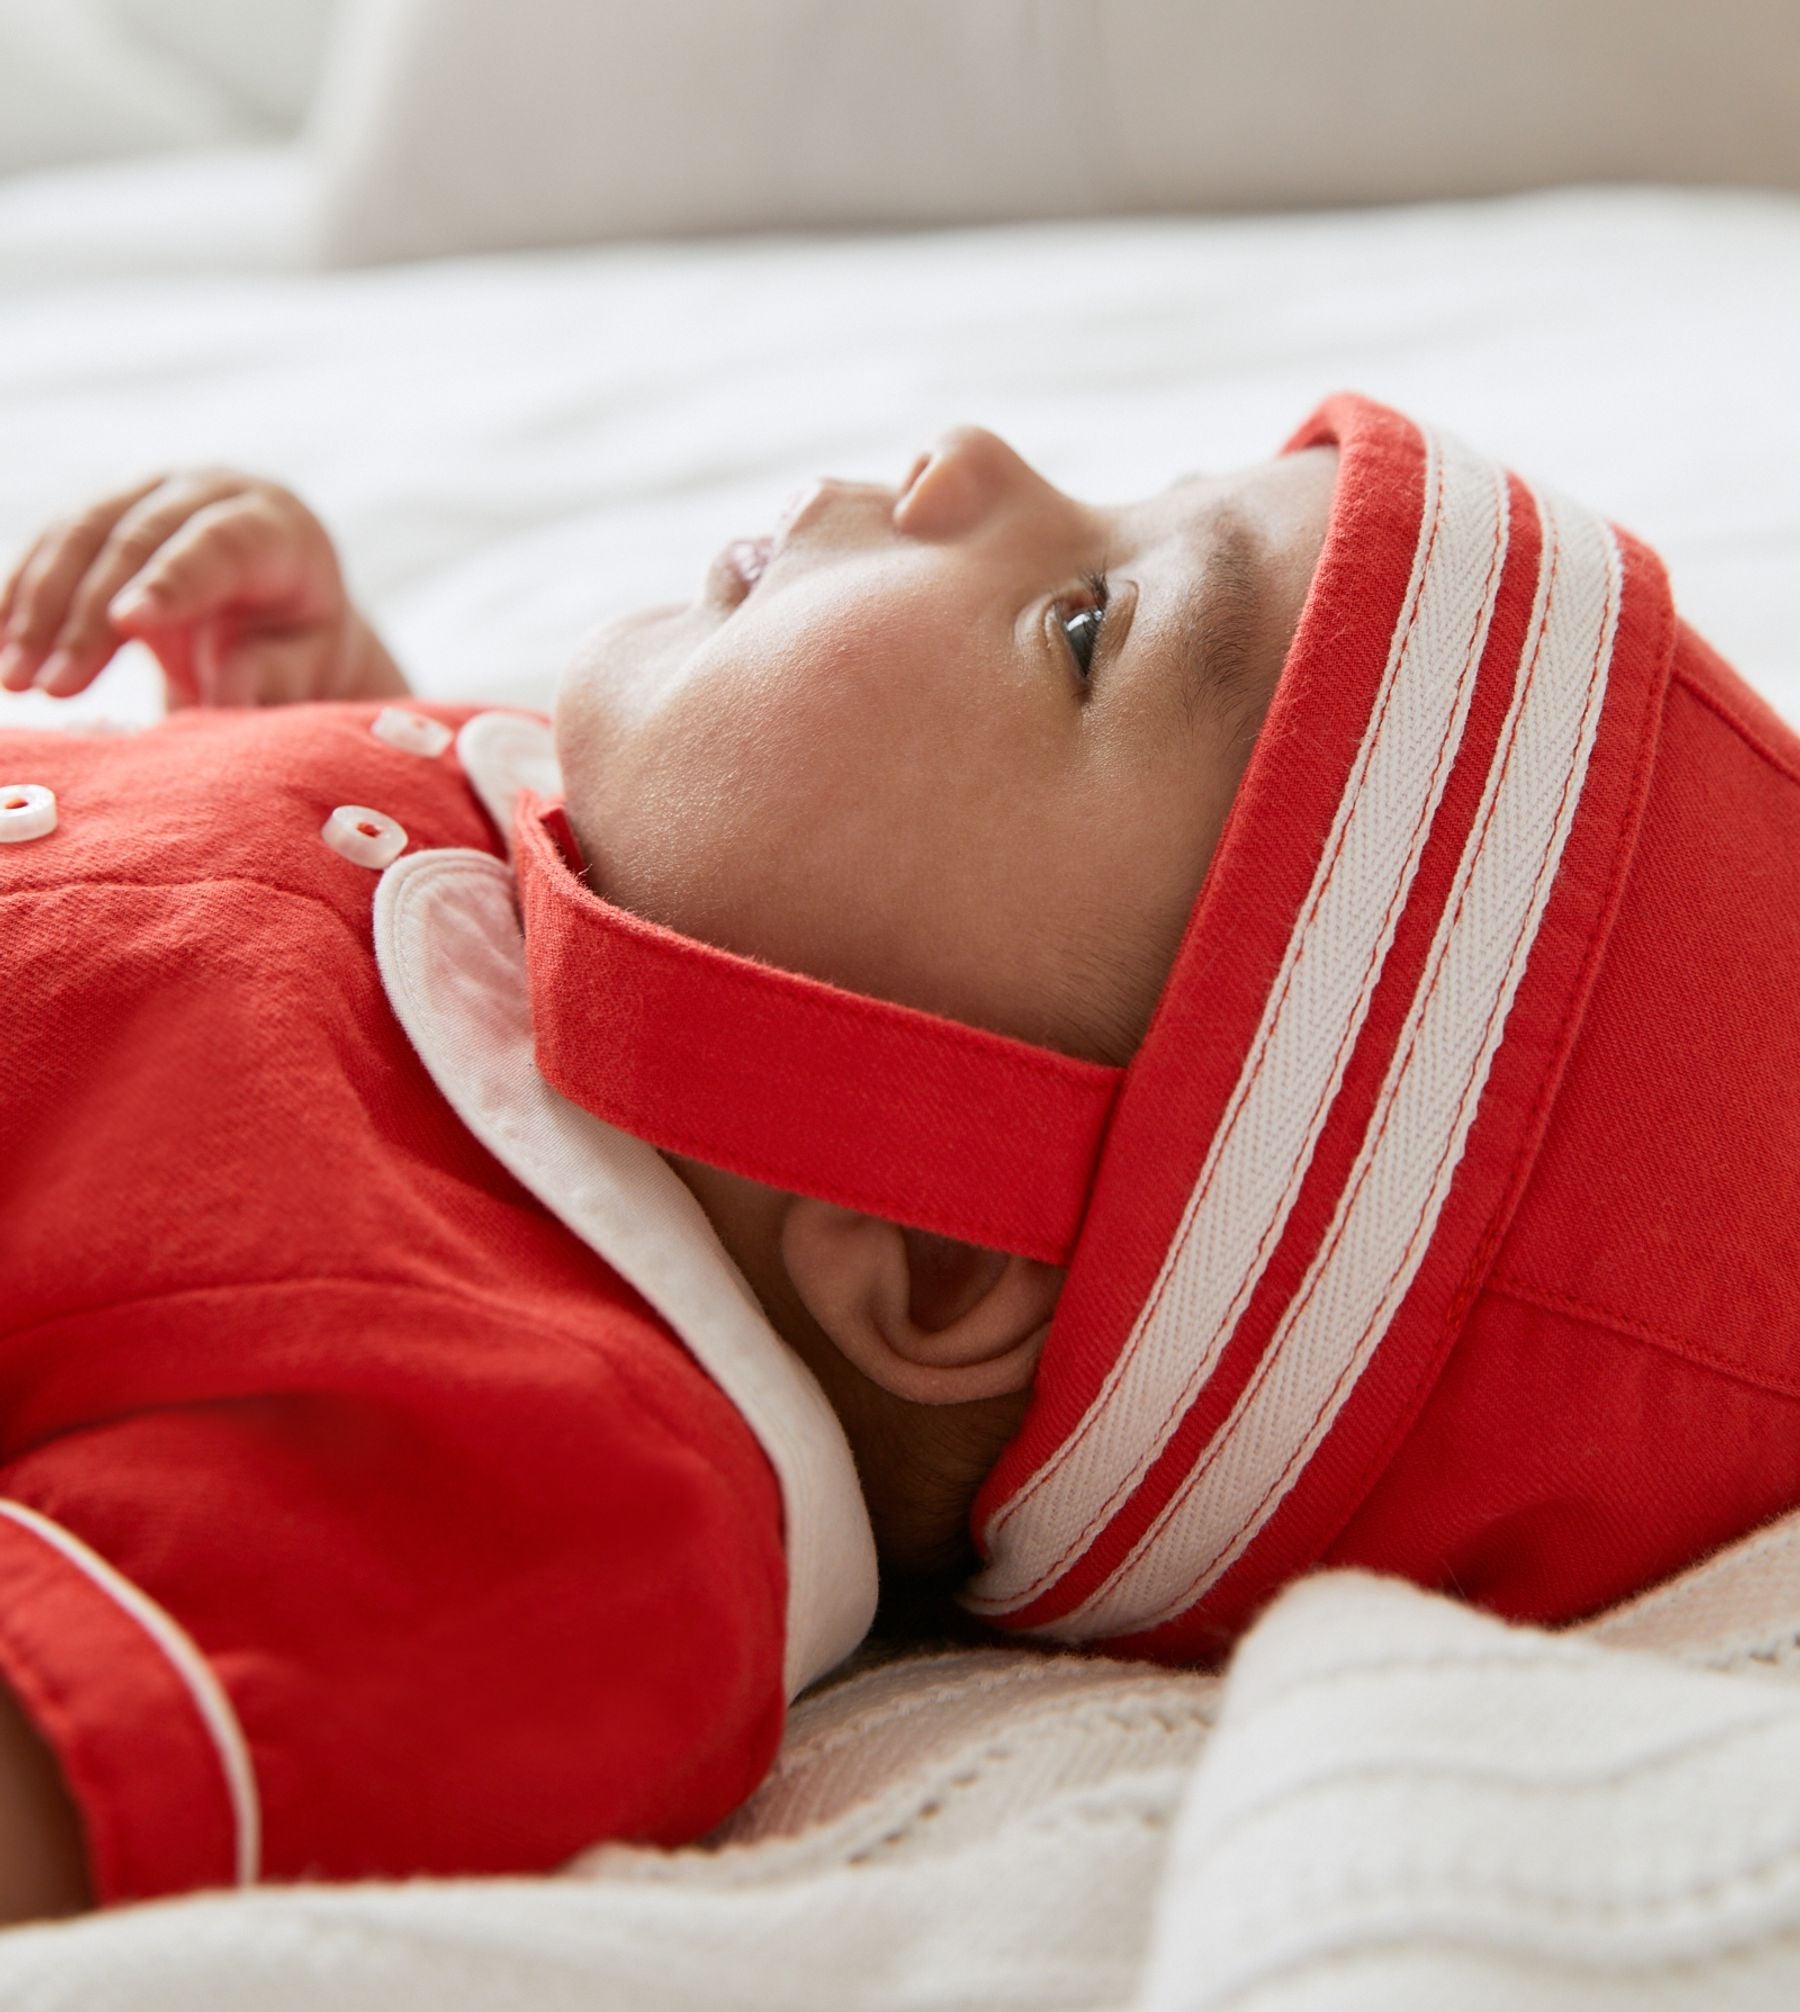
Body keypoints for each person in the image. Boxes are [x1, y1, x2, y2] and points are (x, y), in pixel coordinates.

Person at [2, 396, 1798, 1924]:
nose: (972, 457)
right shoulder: (632, 901)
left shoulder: (570, 1504)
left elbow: (96, 1728)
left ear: (933, 1256)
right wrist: (292, 710)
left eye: (1087, 627)